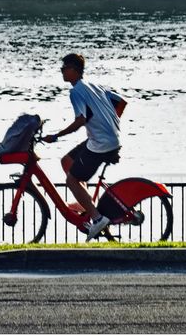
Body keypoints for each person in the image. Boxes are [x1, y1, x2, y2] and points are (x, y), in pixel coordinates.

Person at [43, 53, 126, 241]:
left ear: (74, 70)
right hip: (107, 140)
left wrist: (56, 136)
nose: (62, 71)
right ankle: (87, 204)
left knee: (71, 181)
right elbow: (121, 102)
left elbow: (80, 121)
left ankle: (97, 218)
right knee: (66, 162)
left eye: (64, 68)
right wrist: (109, 125)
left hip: (100, 145)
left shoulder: (76, 91)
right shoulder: (96, 86)